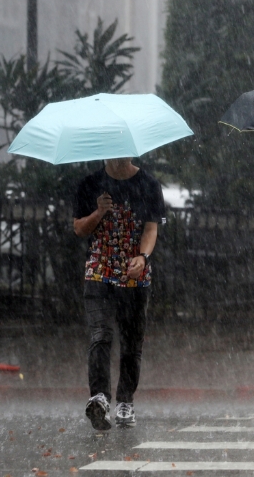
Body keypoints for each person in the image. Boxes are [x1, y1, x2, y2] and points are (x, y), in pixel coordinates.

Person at [73, 157, 165, 430]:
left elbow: (151, 227)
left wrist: (143, 257)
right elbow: (79, 228)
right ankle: (99, 397)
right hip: (99, 271)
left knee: (131, 342)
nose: (118, 158)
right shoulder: (89, 184)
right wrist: (98, 212)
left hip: (134, 273)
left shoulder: (149, 184)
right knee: (100, 334)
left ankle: (126, 400)